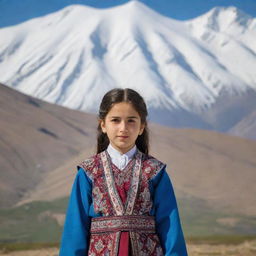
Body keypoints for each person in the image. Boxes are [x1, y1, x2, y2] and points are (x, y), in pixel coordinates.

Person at [59, 88, 188, 256]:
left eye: (131, 121)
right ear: (103, 125)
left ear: (142, 126)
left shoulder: (155, 171)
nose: (123, 128)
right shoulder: (88, 172)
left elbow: (170, 228)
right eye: (115, 120)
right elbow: (75, 229)